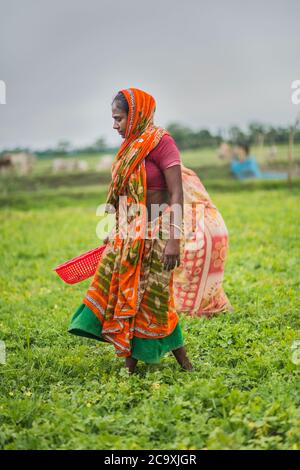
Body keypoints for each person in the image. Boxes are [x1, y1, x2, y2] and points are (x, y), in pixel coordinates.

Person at [68, 87, 232, 373]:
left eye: (119, 118)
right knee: (125, 293)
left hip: (158, 232)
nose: (114, 125)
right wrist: (114, 227)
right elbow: (121, 194)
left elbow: (176, 194)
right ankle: (131, 365)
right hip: (129, 234)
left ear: (136, 116)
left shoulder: (161, 143)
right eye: (113, 119)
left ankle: (183, 364)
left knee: (155, 297)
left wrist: (173, 240)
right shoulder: (128, 148)